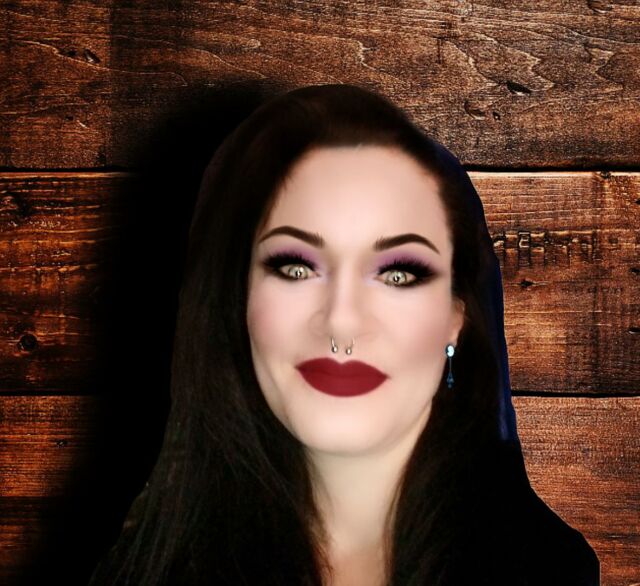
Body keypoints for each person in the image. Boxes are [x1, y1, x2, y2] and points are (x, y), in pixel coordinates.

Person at [88, 83, 600, 585]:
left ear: (455, 316)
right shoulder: (147, 572)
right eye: (296, 267)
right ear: (235, 303)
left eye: (397, 273)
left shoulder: (547, 573)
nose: (342, 320)